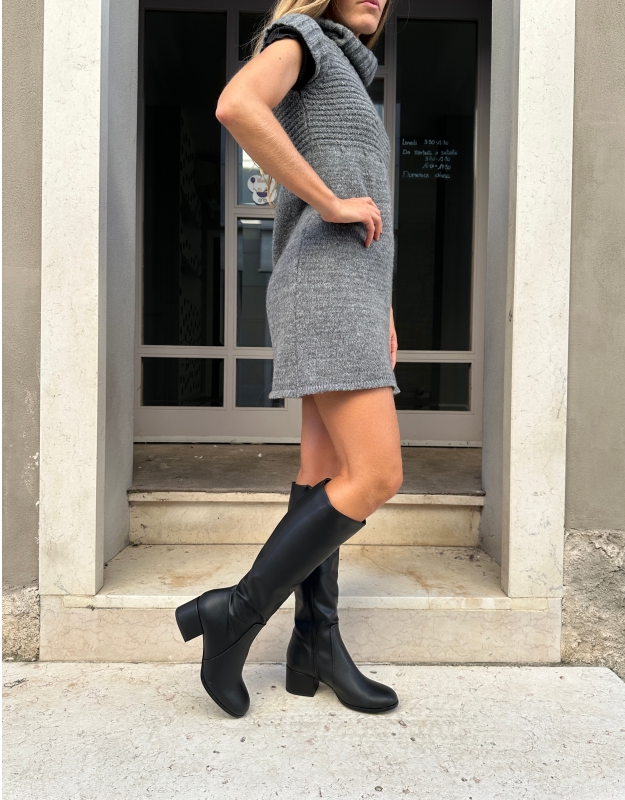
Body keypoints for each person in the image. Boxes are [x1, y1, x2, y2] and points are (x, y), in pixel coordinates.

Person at [174, 0, 402, 718]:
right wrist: (330, 202)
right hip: (327, 287)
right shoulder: (303, 38)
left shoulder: (348, 70)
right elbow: (237, 104)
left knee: (323, 475)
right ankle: (235, 612)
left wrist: (384, 307)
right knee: (377, 475)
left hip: (351, 290)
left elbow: (373, 212)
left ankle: (314, 643)